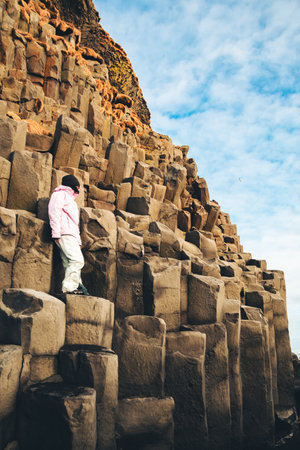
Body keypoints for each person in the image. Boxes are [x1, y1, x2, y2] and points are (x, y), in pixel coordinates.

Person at [48, 174, 89, 295]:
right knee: (77, 260)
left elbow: (73, 223)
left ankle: (78, 286)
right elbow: (53, 212)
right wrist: (55, 232)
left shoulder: (70, 199)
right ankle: (69, 287)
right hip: (64, 233)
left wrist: (78, 241)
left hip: (70, 234)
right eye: (77, 186)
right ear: (73, 185)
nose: (79, 189)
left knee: (69, 262)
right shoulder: (60, 194)